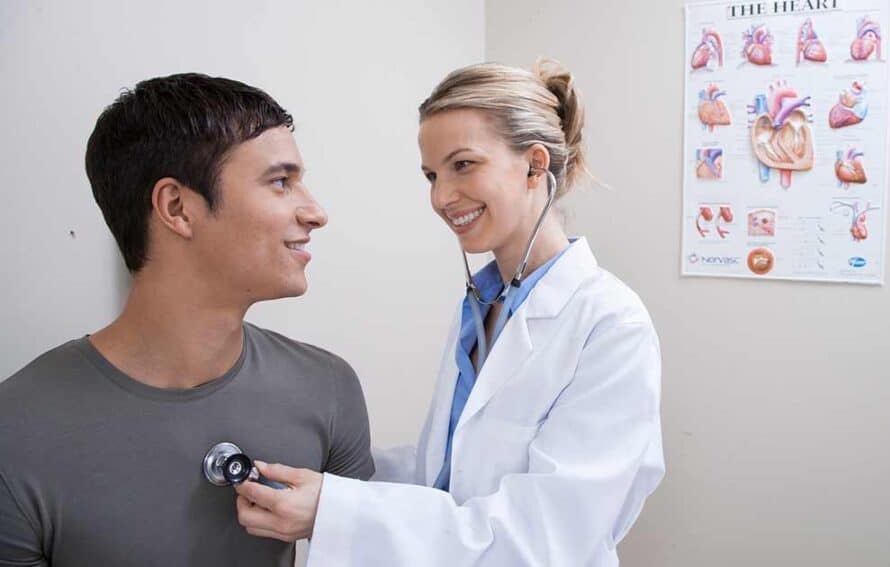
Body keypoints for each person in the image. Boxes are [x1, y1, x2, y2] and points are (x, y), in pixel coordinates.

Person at [234, 59, 663, 565]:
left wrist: (334, 511)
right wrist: (326, 476)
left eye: (463, 165)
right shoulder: (484, 307)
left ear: (535, 164)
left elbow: (544, 540)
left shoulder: (611, 325)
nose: (441, 197)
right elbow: (448, 475)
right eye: (431, 175)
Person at [0, 73, 374, 566]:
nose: (316, 212)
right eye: (280, 181)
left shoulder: (328, 390)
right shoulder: (17, 432)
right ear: (177, 208)